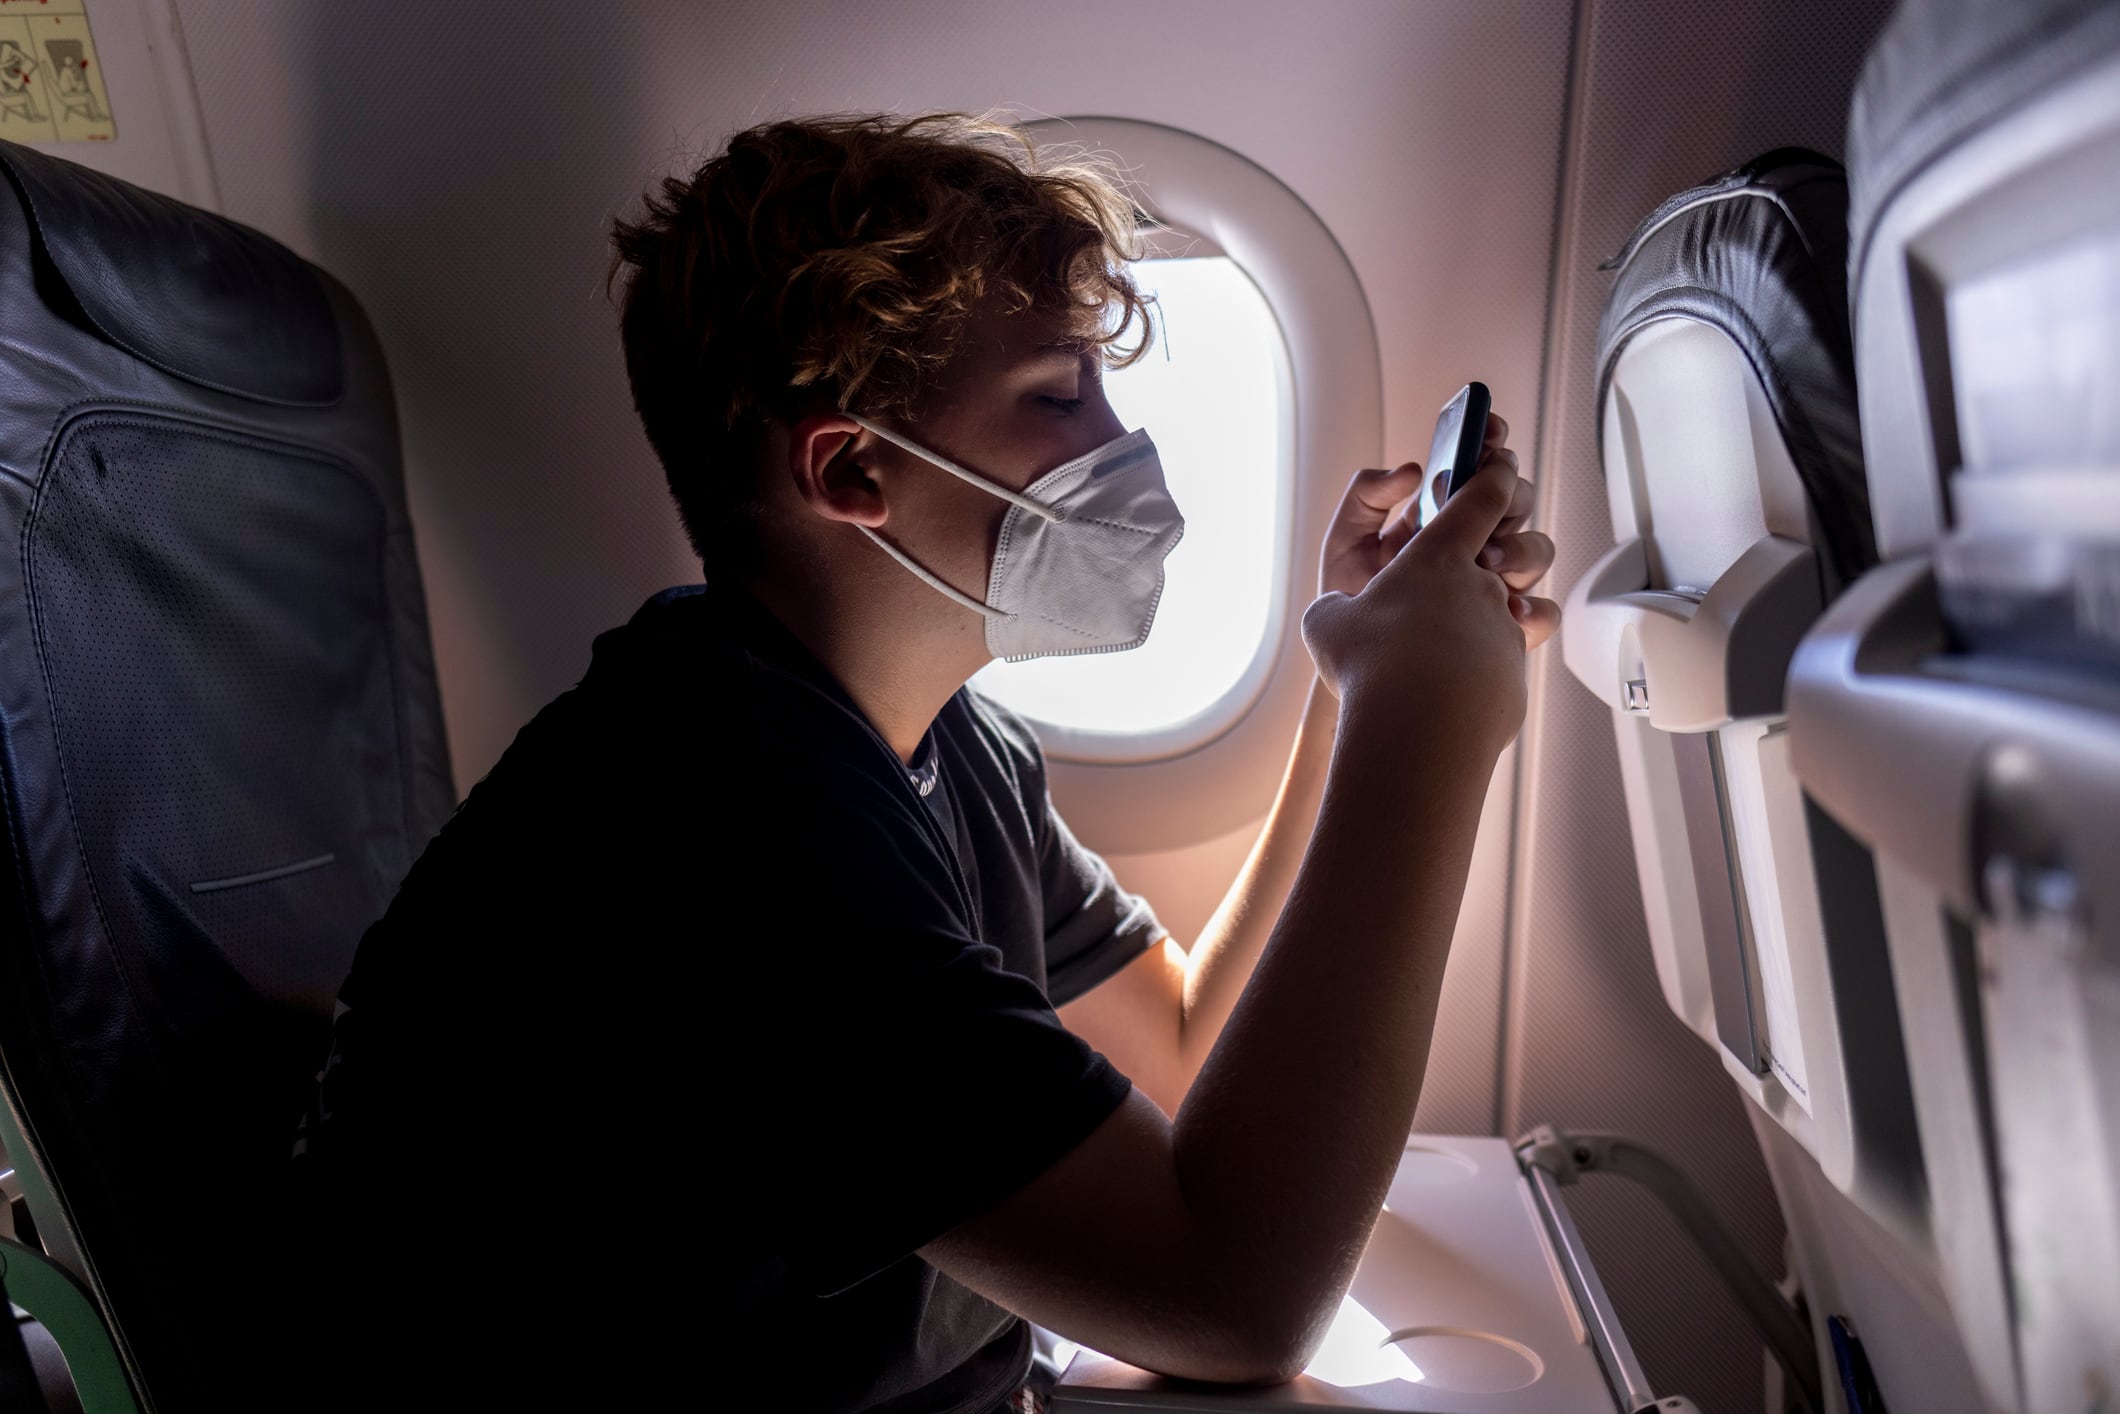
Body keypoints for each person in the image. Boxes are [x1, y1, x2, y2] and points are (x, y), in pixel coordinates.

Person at [293, 111, 1558, 1412]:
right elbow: (1233, 1299)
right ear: (852, 471)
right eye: (1058, 394)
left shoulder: (945, 743)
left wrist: (1351, 701)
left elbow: (1182, 1049)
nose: (1120, 444)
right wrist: (1430, 730)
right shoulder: (724, 815)